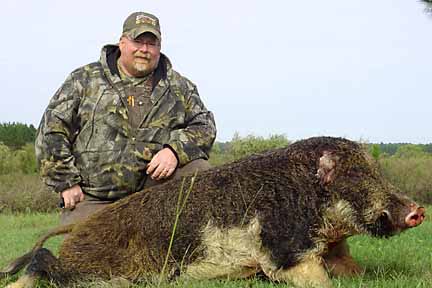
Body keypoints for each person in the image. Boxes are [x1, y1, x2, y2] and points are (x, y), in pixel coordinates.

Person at [35, 12, 216, 225]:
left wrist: (175, 150)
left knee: (198, 170)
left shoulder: (179, 87)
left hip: (153, 195)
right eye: (138, 41)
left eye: (152, 43)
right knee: (84, 253)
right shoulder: (83, 80)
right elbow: (52, 131)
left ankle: (194, 241)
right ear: (122, 43)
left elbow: (205, 126)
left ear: (159, 47)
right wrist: (66, 182)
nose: (144, 49)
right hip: (95, 197)